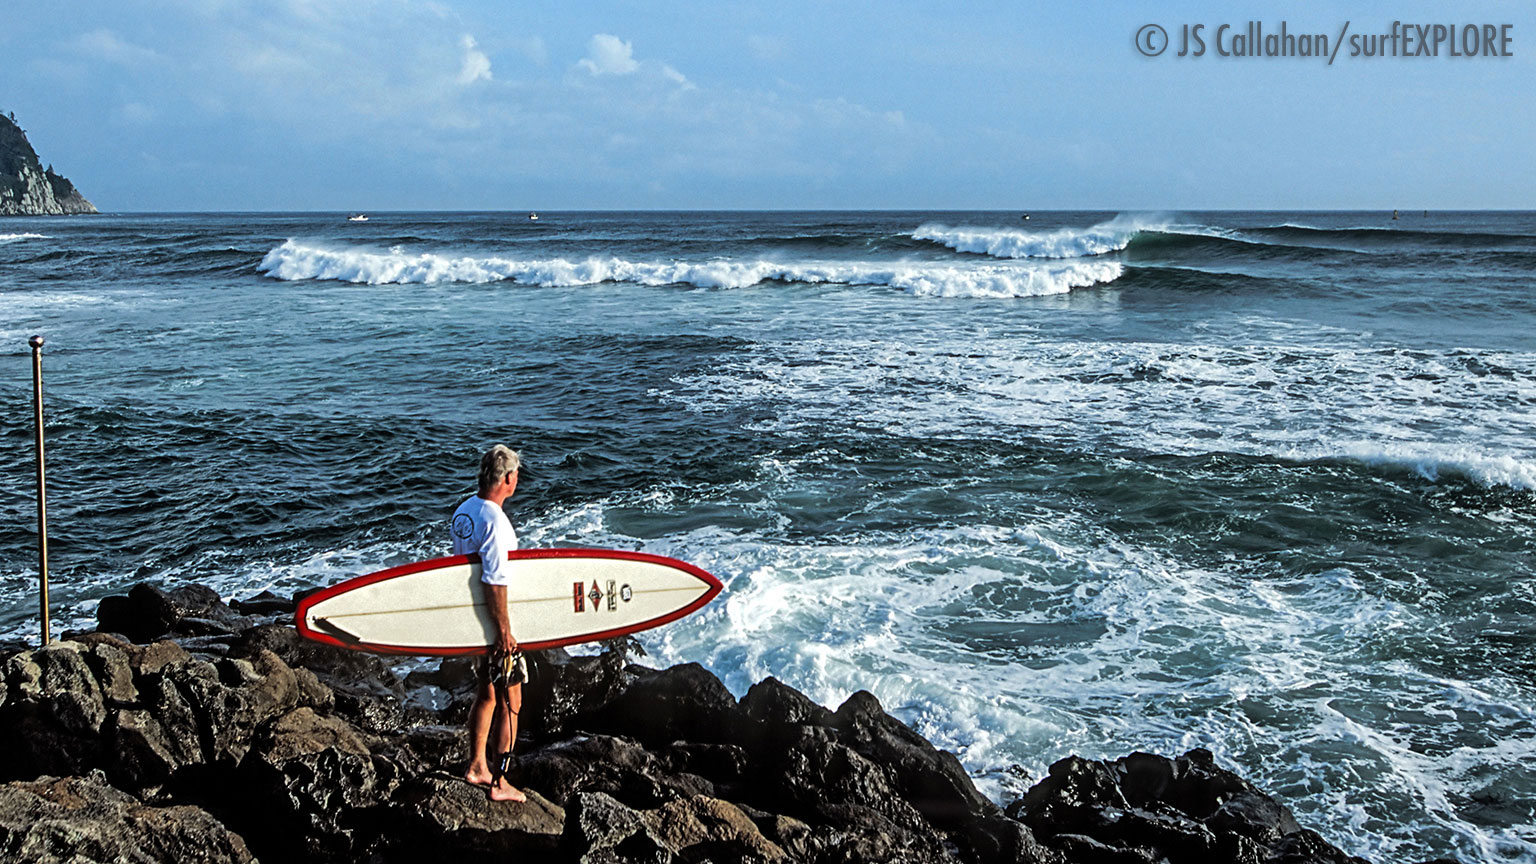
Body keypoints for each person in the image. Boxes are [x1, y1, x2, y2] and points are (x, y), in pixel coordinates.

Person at [452, 444, 528, 803]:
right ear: (509, 478)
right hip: (493, 624)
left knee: (486, 694)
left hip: (472, 620)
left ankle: (476, 766)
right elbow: (494, 580)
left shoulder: (465, 510)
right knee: (511, 701)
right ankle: (500, 781)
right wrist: (504, 633)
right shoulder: (496, 522)